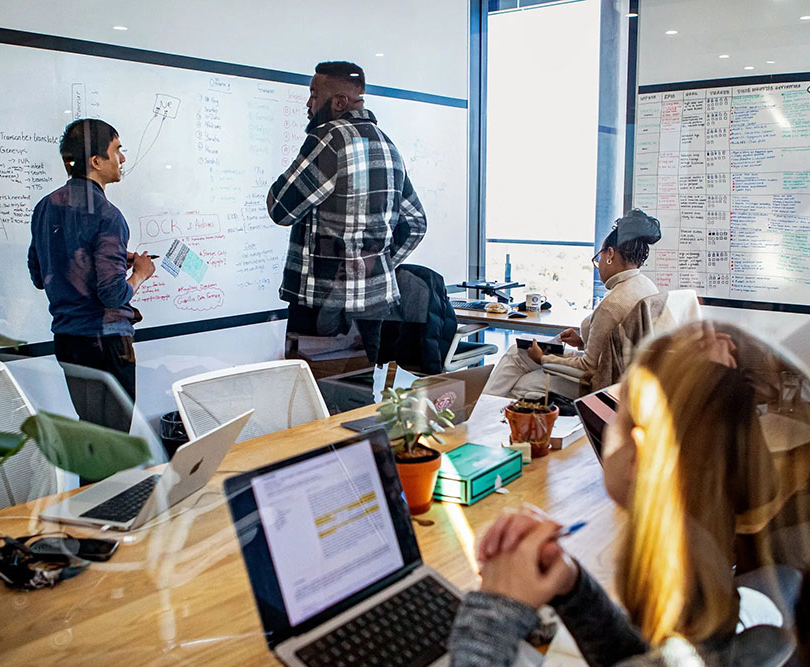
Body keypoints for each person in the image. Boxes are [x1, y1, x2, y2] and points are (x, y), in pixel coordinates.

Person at [449, 323, 801, 666]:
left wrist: (495, 608)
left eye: (620, 413)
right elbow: (639, 657)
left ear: (642, 455)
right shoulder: (697, 614)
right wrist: (574, 588)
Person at [266, 61, 427, 364]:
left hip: (321, 302)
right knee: (358, 389)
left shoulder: (328, 139)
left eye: (314, 95)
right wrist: (375, 266)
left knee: (309, 390)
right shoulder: (388, 145)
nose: (308, 104)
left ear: (339, 102)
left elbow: (280, 209)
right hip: (374, 306)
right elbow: (416, 224)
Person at [28, 118, 155, 434]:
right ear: (96, 161)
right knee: (114, 441)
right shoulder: (108, 216)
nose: (122, 158)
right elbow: (112, 295)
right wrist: (139, 274)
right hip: (106, 343)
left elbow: (39, 275)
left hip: (68, 342)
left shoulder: (44, 208)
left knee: (92, 437)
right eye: (117, 150)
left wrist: (106, 260)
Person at [483, 209, 661, 399]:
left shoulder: (613, 304)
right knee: (516, 353)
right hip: (626, 379)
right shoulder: (646, 286)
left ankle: (482, 408)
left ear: (610, 253)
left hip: (597, 384)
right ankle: (482, 406)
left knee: (519, 385)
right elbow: (621, 344)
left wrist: (542, 358)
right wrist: (583, 342)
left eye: (599, 257)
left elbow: (588, 367)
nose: (599, 264)